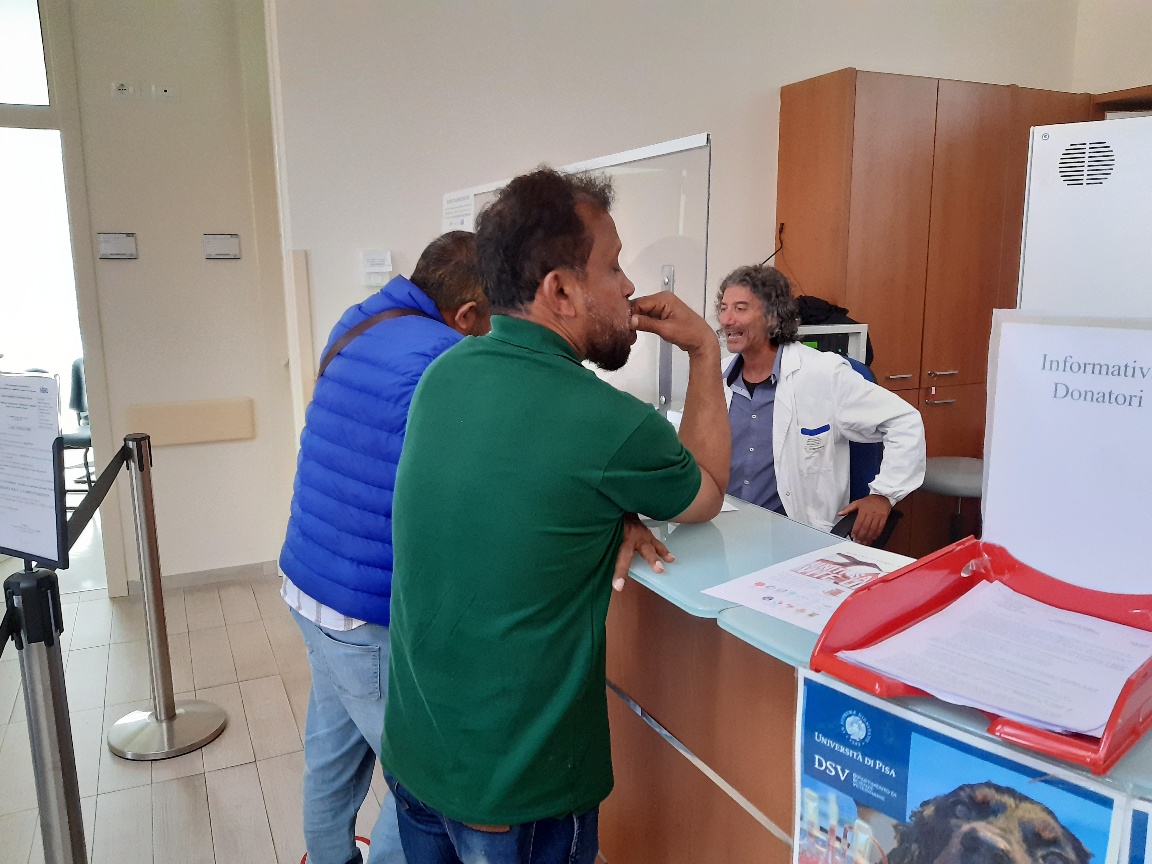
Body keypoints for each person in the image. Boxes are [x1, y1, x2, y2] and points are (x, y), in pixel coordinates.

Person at [380, 167, 730, 864]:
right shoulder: (607, 422)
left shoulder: (444, 375)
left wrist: (602, 511)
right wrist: (703, 349)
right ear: (560, 291)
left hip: (418, 758)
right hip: (518, 794)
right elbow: (707, 493)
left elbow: (505, 495)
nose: (629, 286)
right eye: (614, 266)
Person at [278, 231, 490, 864]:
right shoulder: (443, 361)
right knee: (420, 782)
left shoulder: (359, 321)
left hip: (308, 581)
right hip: (364, 613)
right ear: (467, 314)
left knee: (331, 755)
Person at [716, 264, 925, 546]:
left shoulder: (823, 374)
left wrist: (884, 495)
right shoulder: (717, 376)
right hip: (726, 528)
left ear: (772, 316)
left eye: (740, 309)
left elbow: (905, 421)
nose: (727, 320)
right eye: (724, 308)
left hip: (794, 536)